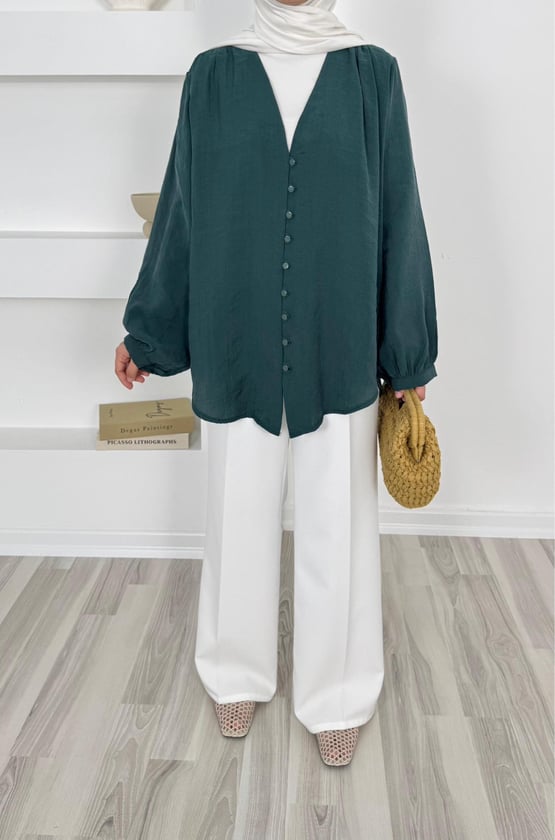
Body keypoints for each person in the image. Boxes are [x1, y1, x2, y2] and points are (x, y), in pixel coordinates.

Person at [115, 0, 438, 767]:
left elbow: (398, 210)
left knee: (337, 521)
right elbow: (183, 211)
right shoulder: (213, 76)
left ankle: (338, 693)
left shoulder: (372, 74)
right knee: (237, 511)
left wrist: (407, 353)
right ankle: (235, 671)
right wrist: (150, 332)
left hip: (341, 337)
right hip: (235, 333)